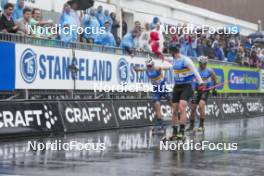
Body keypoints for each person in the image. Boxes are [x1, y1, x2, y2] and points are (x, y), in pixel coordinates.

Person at [167, 43, 204, 140]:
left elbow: (195, 72)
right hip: (177, 86)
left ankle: (182, 131)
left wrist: (201, 83)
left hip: (186, 86)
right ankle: (175, 131)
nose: (169, 53)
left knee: (182, 107)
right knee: (174, 110)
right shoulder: (173, 60)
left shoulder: (186, 60)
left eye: (170, 51)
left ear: (173, 52)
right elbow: (163, 60)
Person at [134, 56, 171, 133]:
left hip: (163, 88)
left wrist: (167, 66)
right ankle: (160, 125)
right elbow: (141, 69)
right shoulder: (147, 68)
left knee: (171, 103)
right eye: (148, 66)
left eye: (150, 66)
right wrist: (136, 69)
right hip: (156, 90)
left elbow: (166, 68)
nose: (149, 67)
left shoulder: (157, 68)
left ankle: (177, 114)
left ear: (153, 64)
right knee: (157, 105)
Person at [187, 56, 217, 132]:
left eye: (205, 64)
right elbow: (192, 81)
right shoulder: (196, 70)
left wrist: (214, 89)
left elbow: (214, 79)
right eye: (202, 63)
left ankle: (201, 125)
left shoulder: (209, 71)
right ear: (199, 63)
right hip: (197, 90)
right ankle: (191, 126)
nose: (203, 65)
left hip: (205, 91)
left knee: (201, 106)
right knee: (193, 108)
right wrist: (193, 90)